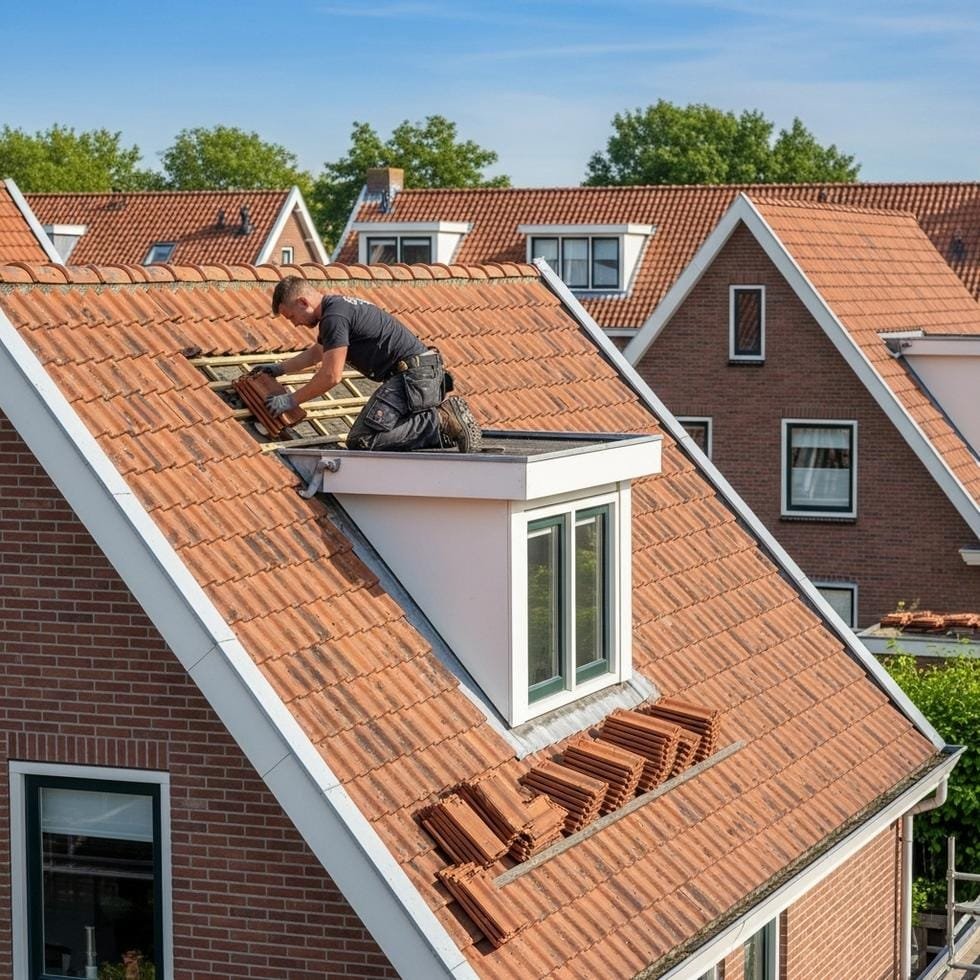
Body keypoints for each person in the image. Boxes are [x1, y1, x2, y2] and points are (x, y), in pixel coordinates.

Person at [254, 276, 482, 453]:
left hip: (413, 377)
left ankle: (440, 420)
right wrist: (279, 368)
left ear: (303, 302)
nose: (295, 324)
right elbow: (318, 353)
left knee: (362, 440)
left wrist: (290, 400)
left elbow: (331, 376)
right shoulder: (338, 308)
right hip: (421, 374)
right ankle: (444, 430)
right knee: (380, 436)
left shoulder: (334, 318)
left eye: (291, 316)